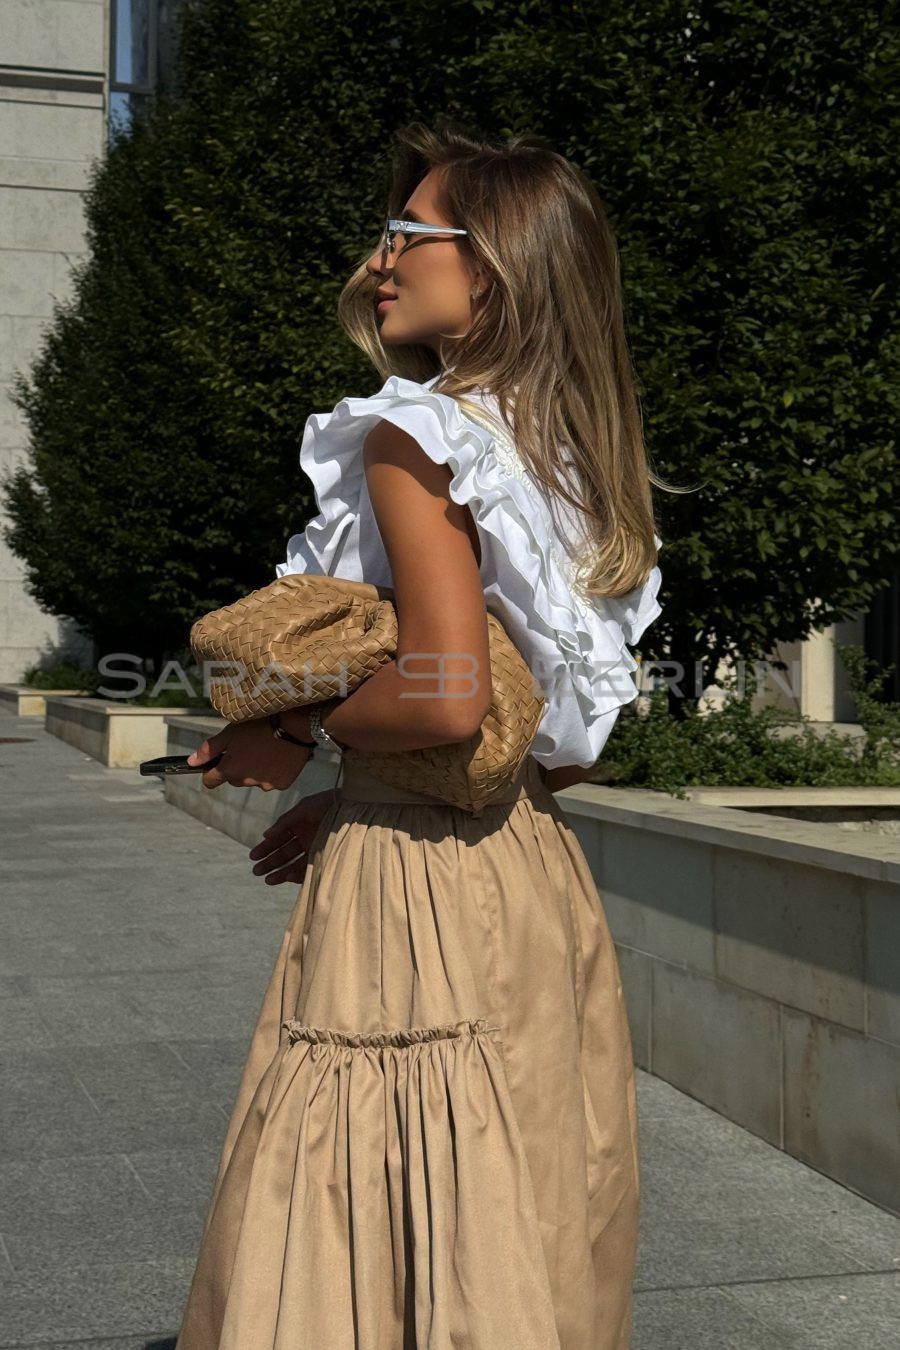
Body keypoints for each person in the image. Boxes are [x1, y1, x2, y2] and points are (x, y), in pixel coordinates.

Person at [175, 119, 665, 1350]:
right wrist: (354, 790)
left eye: (410, 235)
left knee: (369, 1224)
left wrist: (286, 727)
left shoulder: (421, 435)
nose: (380, 260)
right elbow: (559, 741)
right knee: (513, 1210)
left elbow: (447, 698)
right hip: (531, 876)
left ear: (490, 263)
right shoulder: (561, 453)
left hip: (418, 900)